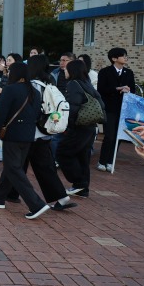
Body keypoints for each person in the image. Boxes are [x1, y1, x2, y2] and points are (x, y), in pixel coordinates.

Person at [0, 62, 51, 219]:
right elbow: (36, 115)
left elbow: (0, 115)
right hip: (28, 135)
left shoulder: (10, 89)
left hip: (12, 135)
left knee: (13, 169)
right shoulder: (35, 91)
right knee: (13, 167)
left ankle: (36, 204)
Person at [25, 55, 77, 211]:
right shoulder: (49, 83)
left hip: (32, 132)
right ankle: (62, 197)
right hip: (46, 131)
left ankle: (5, 194)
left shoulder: (33, 85)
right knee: (44, 167)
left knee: (16, 167)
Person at [59, 60, 106, 197]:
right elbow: (101, 103)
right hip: (90, 126)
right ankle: (83, 188)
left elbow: (73, 107)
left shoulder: (73, 84)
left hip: (78, 126)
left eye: (66, 69)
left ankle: (79, 183)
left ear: (72, 71)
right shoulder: (87, 83)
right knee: (82, 157)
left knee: (63, 152)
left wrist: (67, 125)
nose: (64, 71)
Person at [96, 47, 135, 173]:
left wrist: (128, 90)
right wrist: (117, 89)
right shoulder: (105, 72)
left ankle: (110, 161)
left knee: (119, 136)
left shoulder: (129, 73)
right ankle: (102, 161)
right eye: (123, 55)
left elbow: (133, 90)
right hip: (109, 108)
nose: (126, 58)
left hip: (123, 110)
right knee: (109, 136)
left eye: (126, 55)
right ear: (114, 58)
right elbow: (101, 89)